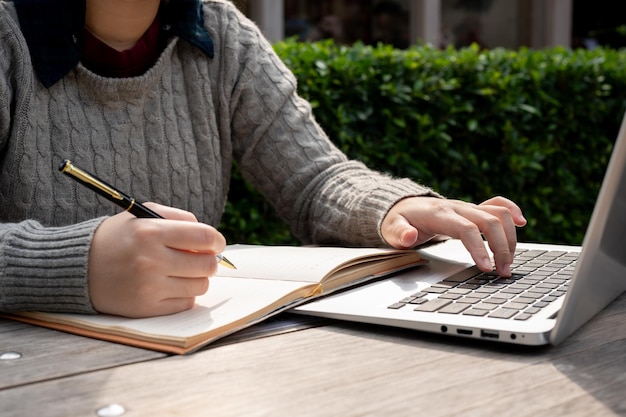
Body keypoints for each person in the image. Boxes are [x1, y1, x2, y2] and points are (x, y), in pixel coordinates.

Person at [0, 0, 526, 318]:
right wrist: (73, 265)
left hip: (191, 369)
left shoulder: (221, 34)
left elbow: (314, 177)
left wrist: (392, 207)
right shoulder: (8, 35)